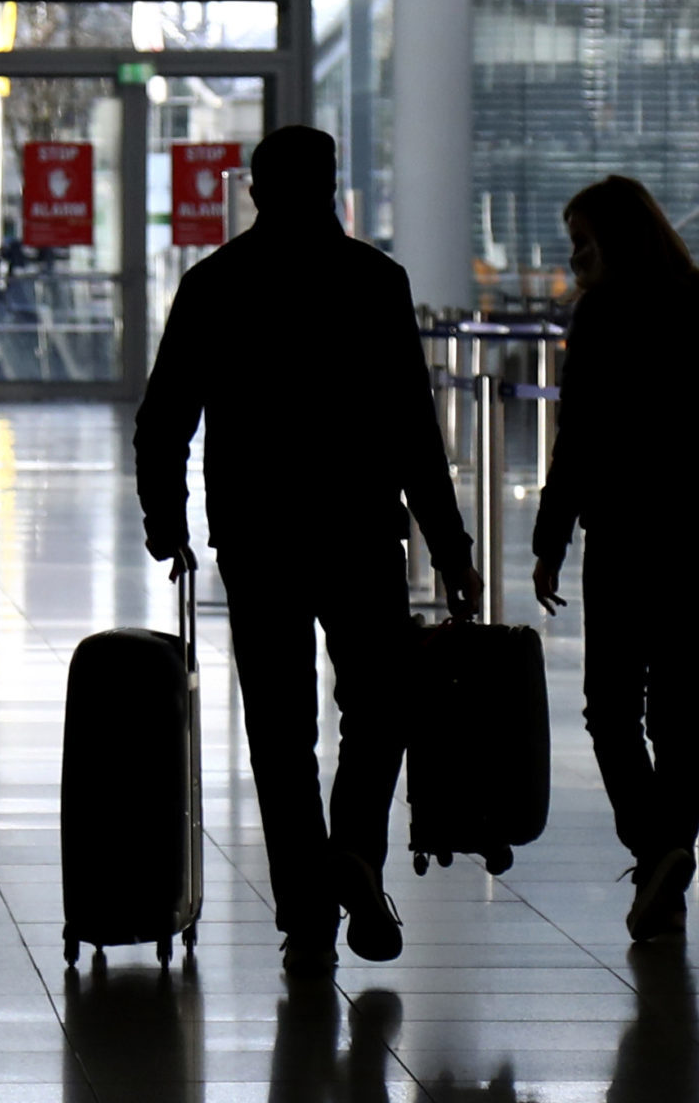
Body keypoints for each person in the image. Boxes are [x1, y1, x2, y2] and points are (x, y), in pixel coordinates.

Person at [135, 125, 483, 978]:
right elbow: (412, 429)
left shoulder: (216, 283)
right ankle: (356, 852)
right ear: (334, 187)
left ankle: (306, 916)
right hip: (360, 529)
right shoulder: (375, 281)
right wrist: (451, 548)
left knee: (279, 731)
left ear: (255, 191)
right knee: (378, 704)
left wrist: (166, 523)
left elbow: (163, 420)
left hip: (258, 536)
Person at [531, 175, 699, 942]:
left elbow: (579, 440)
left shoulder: (604, 315)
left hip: (630, 536)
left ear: (617, 239)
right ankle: (665, 876)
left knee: (611, 707)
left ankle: (657, 852)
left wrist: (549, 540)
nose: (574, 261)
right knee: (676, 704)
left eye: (582, 243)